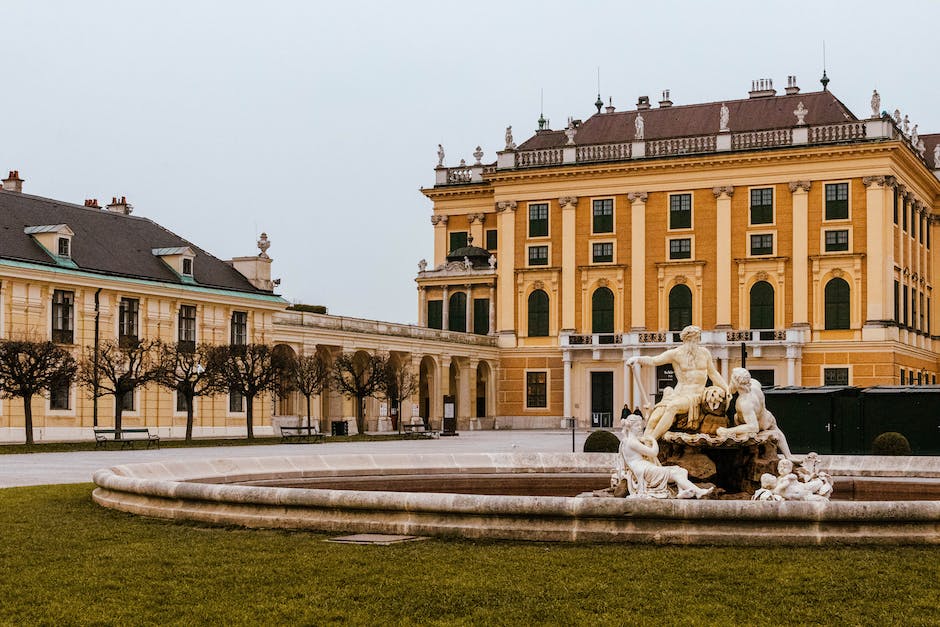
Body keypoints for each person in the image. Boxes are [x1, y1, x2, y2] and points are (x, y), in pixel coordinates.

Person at [626, 325, 729, 441]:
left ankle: (651, 441)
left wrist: (726, 388)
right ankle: (645, 444)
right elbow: (654, 360)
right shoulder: (675, 354)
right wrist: (637, 359)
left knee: (673, 407)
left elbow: (713, 373)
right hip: (678, 393)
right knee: (654, 418)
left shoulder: (705, 353)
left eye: (697, 339)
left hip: (695, 396)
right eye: (691, 340)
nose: (694, 343)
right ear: (685, 340)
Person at [619, 415, 713, 499]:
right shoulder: (632, 442)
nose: (640, 428)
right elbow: (654, 453)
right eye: (637, 426)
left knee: (682, 471)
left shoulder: (630, 440)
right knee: (674, 473)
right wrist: (653, 440)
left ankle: (681, 492)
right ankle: (699, 492)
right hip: (644, 470)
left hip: (646, 467)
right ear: (630, 427)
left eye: (640, 425)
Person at [716, 368, 792, 459]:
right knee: (778, 432)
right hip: (767, 418)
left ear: (735, 382)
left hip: (757, 425)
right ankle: (788, 455)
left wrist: (728, 431)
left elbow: (753, 427)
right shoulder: (754, 384)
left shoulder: (745, 402)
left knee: (736, 417)